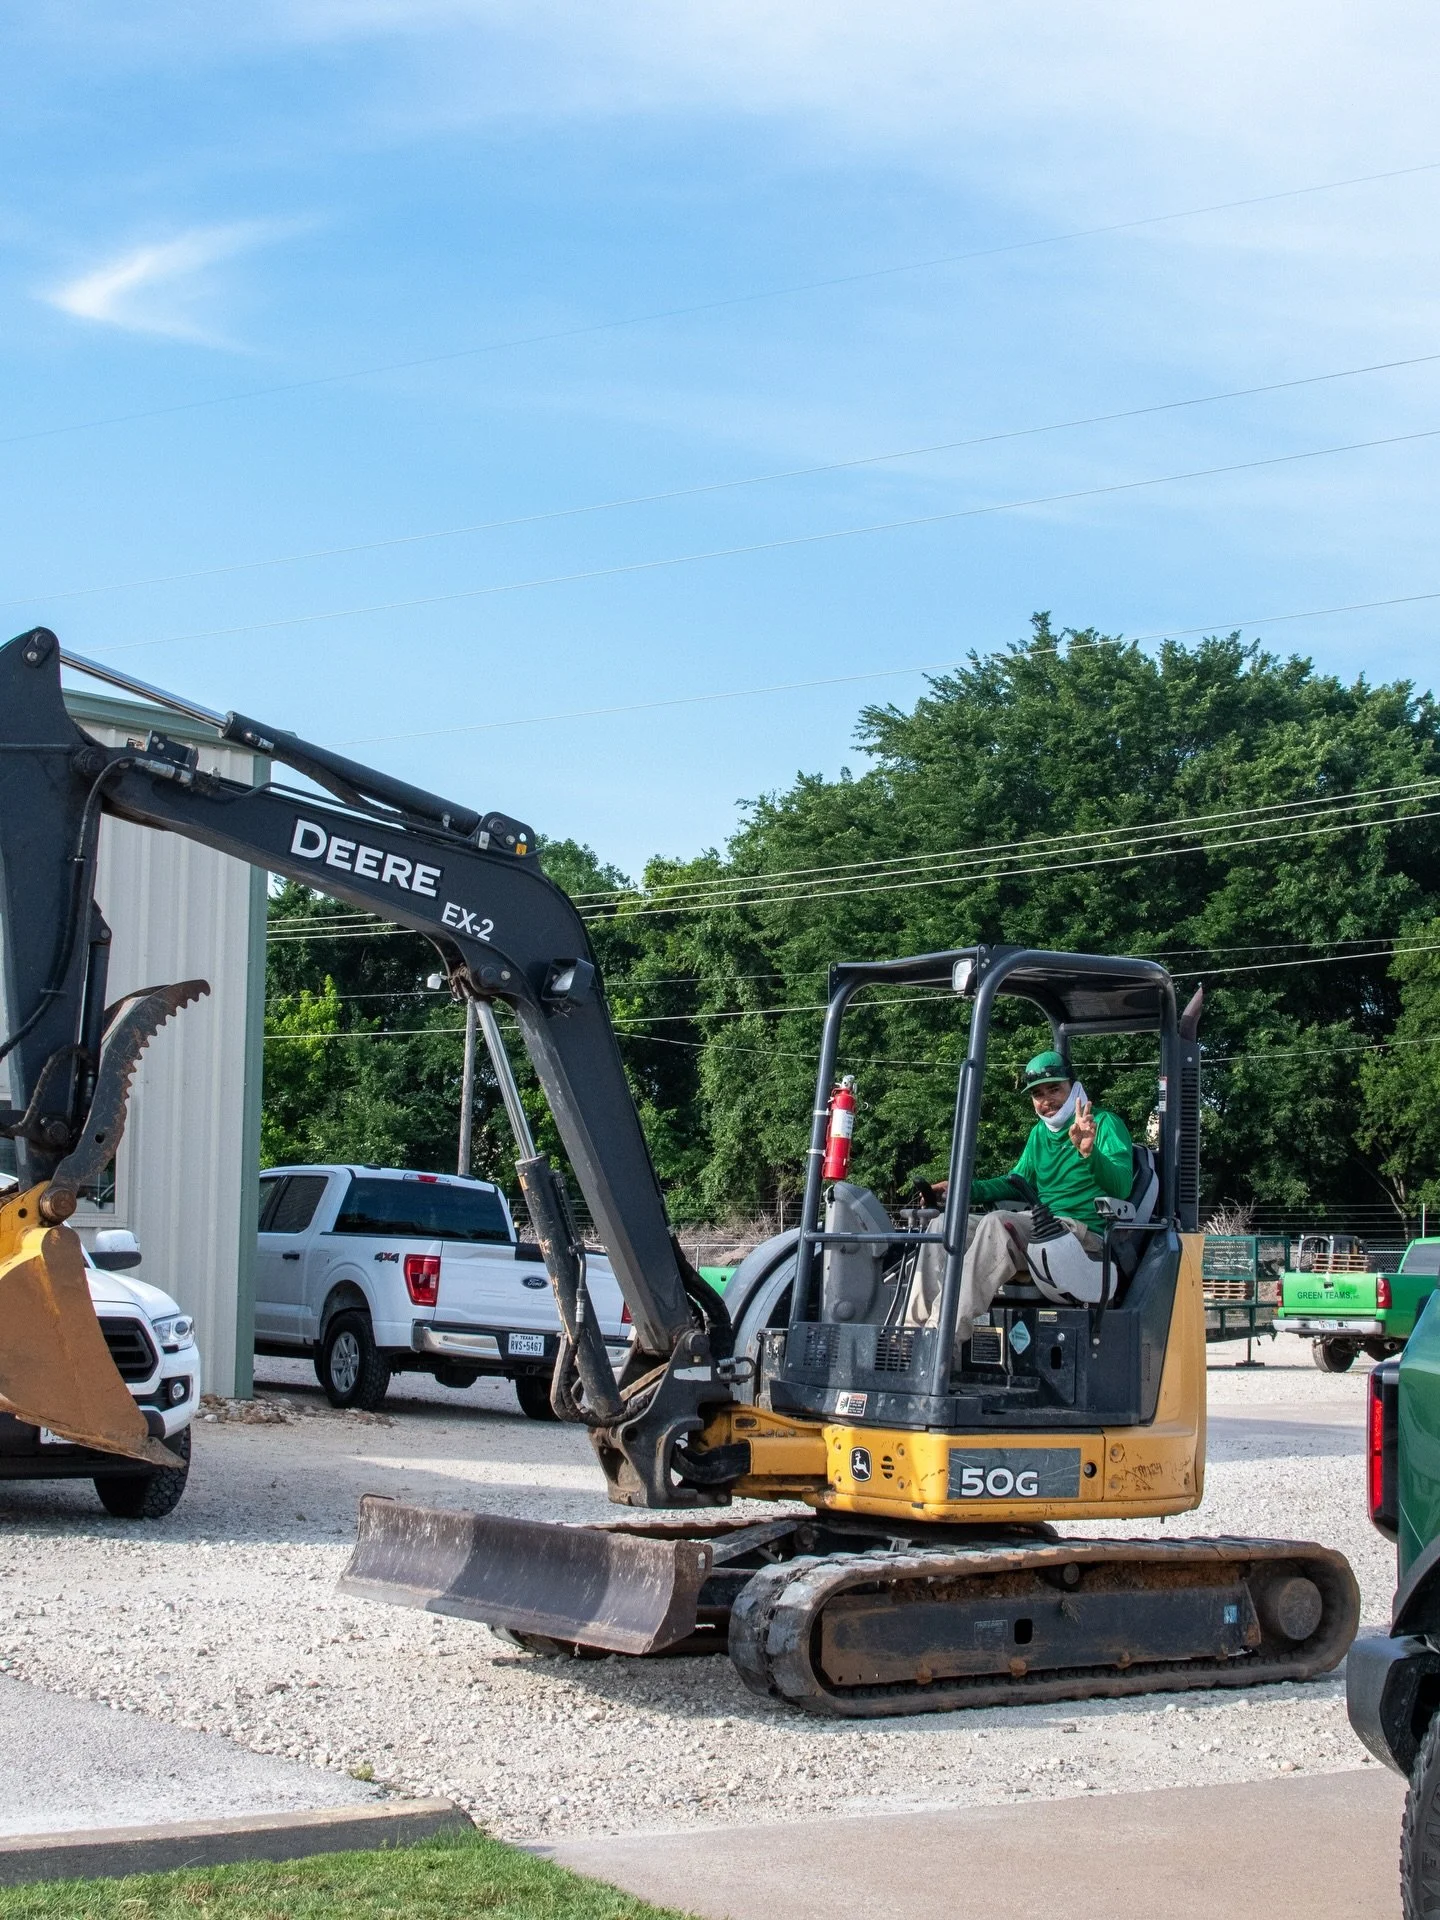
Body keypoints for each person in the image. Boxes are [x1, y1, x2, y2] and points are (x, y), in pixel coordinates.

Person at [907, 1049, 1135, 1351]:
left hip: (1084, 1237)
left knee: (999, 1224)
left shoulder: (1105, 1124)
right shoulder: (1039, 1134)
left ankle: (938, 1342)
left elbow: (1121, 1187)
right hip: (1044, 1230)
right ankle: (908, 1338)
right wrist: (960, 1190)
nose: (1046, 1100)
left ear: (1074, 1087)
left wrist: (1089, 1153)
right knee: (943, 1226)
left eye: (1054, 1089)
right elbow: (1015, 1183)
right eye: (1038, 1094)